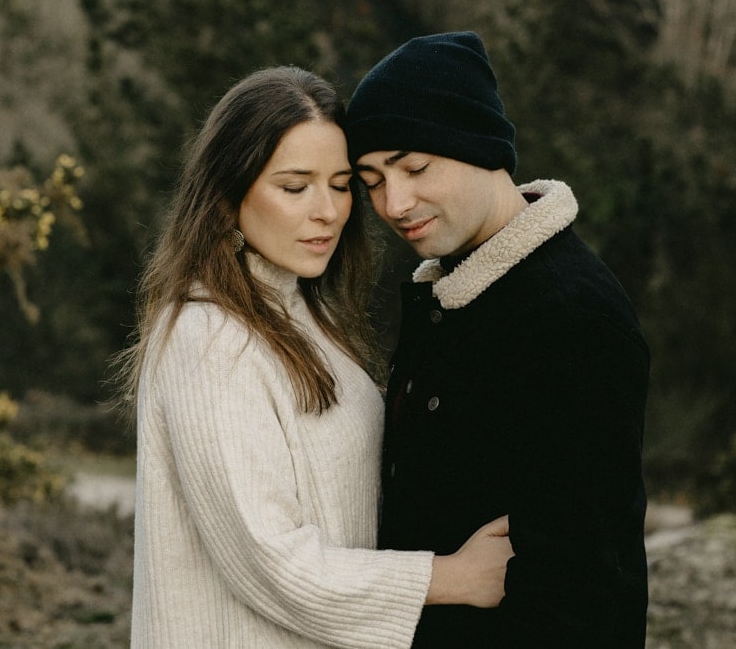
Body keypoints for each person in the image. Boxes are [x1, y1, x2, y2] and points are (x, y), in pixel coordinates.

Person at [119, 65, 514, 648]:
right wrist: (452, 577)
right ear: (228, 197)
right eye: (295, 186)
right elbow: (270, 561)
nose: (328, 211)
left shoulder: (300, 311)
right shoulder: (207, 339)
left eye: (339, 184)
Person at [346, 32, 651, 646]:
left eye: (416, 166)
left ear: (481, 145)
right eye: (371, 179)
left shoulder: (569, 317)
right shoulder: (455, 293)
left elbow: (581, 588)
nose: (394, 202)